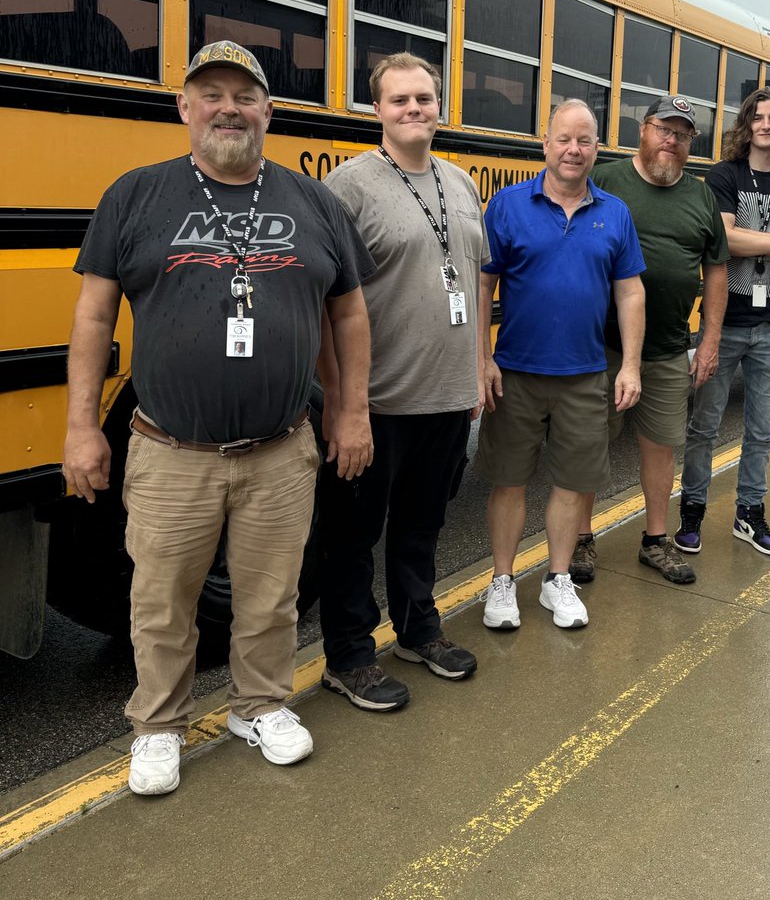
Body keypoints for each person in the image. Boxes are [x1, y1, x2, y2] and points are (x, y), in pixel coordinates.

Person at [62, 41, 374, 796]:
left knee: (270, 596)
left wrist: (350, 410)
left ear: (269, 111)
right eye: (212, 94)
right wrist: (80, 427)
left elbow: (351, 315)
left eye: (244, 95)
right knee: (163, 599)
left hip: (281, 447)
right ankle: (159, 727)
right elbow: (94, 316)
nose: (227, 108)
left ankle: (259, 706)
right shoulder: (136, 195)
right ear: (185, 108)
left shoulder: (315, 202)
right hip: (171, 448)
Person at [316, 52, 487, 712]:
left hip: (447, 397)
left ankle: (418, 630)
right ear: (376, 110)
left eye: (425, 98)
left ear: (439, 106)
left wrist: (475, 371)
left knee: (422, 525)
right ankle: (350, 655)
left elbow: (471, 283)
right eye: (399, 100)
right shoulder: (349, 188)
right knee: (352, 536)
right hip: (378, 401)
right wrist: (341, 401)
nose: (414, 109)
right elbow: (325, 304)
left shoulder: (463, 183)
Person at [476, 99, 646, 630]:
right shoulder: (507, 206)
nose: (574, 150)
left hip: (584, 374)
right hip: (516, 372)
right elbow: (483, 282)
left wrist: (631, 366)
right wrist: (481, 357)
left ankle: (557, 579)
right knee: (508, 481)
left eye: (585, 141)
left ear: (597, 149)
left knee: (572, 483)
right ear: (545, 144)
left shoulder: (614, 213)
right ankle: (502, 581)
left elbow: (630, 292)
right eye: (564, 139)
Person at [575, 96, 729, 586]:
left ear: (690, 144)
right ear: (643, 131)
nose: (672, 140)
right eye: (665, 129)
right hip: (601, 344)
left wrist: (708, 340)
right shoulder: (606, 181)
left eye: (683, 134)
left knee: (661, 446)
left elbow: (717, 271)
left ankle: (655, 540)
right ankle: (580, 538)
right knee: (589, 443)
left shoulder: (702, 197)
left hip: (666, 347)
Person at [676, 87, 770, 556]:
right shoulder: (723, 176)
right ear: (746, 125)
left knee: (761, 431)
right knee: (704, 426)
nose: (766, 125)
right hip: (725, 323)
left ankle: (749, 515)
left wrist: (744, 236)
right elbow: (726, 244)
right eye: (757, 117)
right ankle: (692, 513)